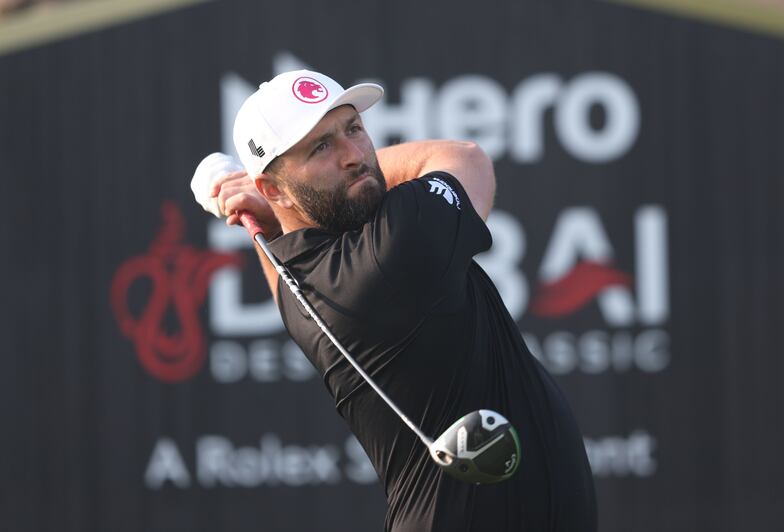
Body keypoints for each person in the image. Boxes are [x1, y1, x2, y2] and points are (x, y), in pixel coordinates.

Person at [210, 70, 597, 532]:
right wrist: (263, 202)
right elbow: (465, 158)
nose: (354, 156)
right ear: (274, 188)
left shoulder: (305, 288)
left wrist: (267, 213)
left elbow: (282, 263)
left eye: (353, 128)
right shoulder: (393, 251)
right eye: (321, 147)